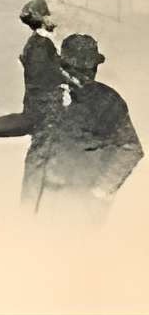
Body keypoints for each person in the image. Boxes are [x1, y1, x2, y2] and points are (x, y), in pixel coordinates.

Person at [0, 0, 75, 210]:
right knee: (41, 171)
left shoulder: (37, 45)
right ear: (44, 19)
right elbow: (46, 84)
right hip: (48, 115)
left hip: (46, 112)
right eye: (49, 16)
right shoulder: (42, 47)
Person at [41, 34, 142, 223]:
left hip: (83, 200)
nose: (85, 74)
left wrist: (100, 190)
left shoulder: (108, 101)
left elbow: (130, 148)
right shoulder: (54, 95)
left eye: (88, 69)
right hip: (49, 194)